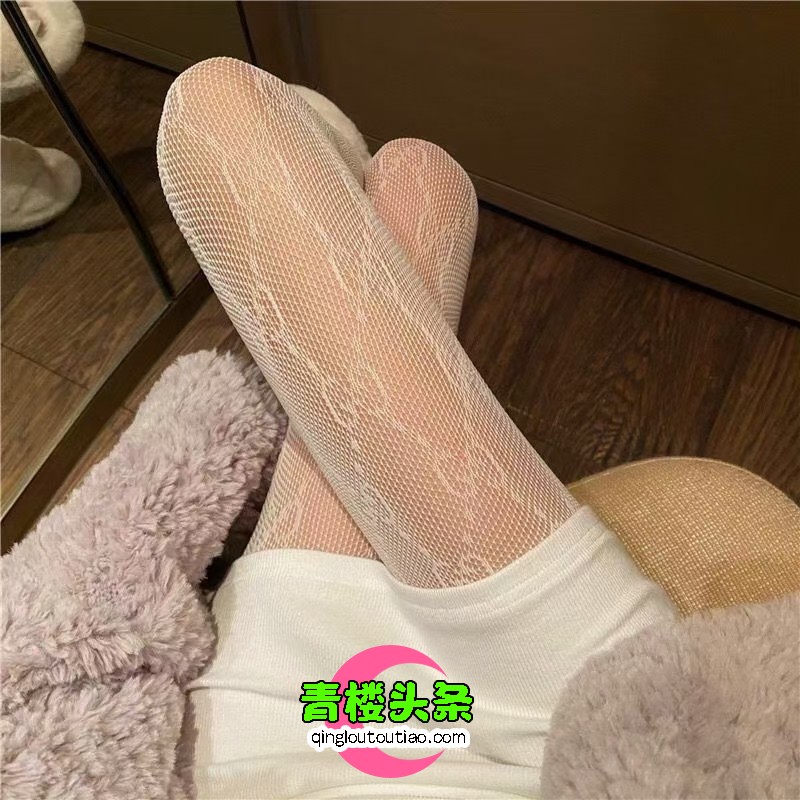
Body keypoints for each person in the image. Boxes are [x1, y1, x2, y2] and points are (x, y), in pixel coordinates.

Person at [157, 57, 676, 799]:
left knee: (232, 112)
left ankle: (333, 193)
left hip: (292, 732)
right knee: (423, 178)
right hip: (603, 740)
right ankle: (336, 191)